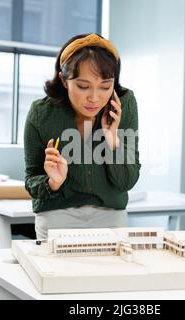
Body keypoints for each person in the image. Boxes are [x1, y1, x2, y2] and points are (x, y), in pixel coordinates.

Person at [24, 33, 141, 240]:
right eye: (83, 86)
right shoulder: (41, 113)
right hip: (56, 216)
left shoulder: (125, 104)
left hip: (111, 217)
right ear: (63, 80)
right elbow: (31, 180)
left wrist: (112, 139)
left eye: (105, 86)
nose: (94, 97)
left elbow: (127, 181)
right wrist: (53, 182)